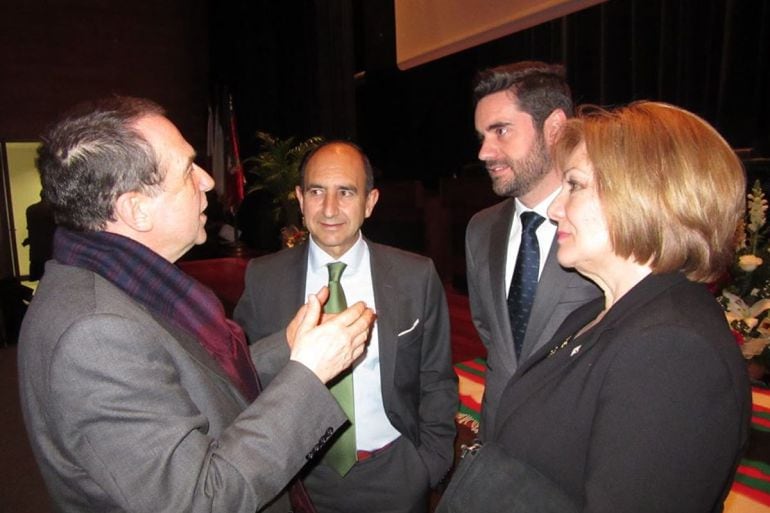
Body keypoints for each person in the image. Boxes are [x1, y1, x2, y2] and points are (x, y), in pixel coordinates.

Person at [17, 97, 375, 513]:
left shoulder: (119, 283)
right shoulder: (95, 334)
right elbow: (199, 499)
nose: (207, 181)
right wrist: (309, 374)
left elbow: (195, 385)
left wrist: (289, 348)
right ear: (136, 209)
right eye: (188, 169)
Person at [461, 101, 750, 512]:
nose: (556, 208)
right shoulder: (597, 311)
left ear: (647, 194)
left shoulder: (673, 351)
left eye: (575, 185)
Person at [234, 141, 457, 513]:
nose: (330, 208)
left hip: (394, 475)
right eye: (317, 192)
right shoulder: (263, 278)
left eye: (346, 192)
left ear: (370, 202)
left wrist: (427, 466)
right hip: (296, 480)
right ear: (300, 199)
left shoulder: (415, 276)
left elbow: (436, 378)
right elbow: (240, 376)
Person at [466, 61, 601, 439]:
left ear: (555, 128)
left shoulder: (605, 226)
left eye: (501, 131)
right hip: (498, 434)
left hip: (576, 442)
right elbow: (491, 336)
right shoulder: (480, 229)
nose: (484, 152)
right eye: (482, 136)